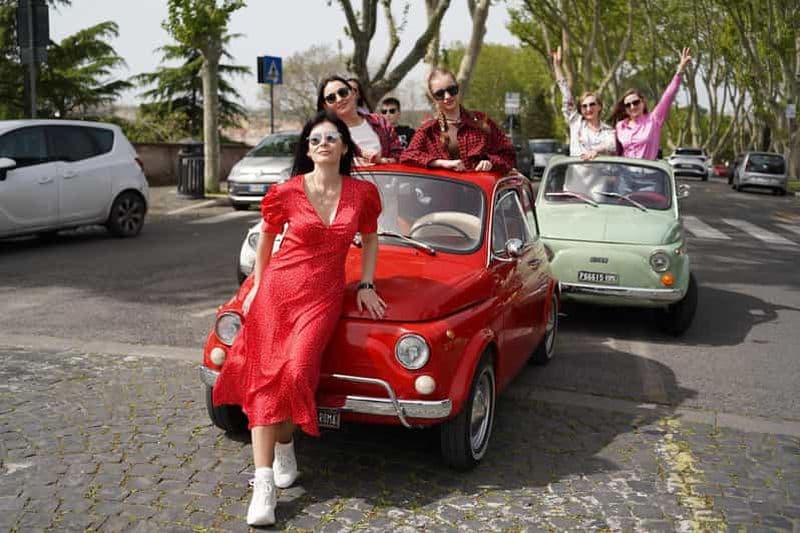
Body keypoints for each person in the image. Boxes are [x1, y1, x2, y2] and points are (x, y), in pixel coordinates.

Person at [212, 111, 386, 527]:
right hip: (278, 292)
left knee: (296, 372)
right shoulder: (287, 191)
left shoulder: (362, 194)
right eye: (314, 139)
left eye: (331, 137)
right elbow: (268, 237)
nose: (322, 143)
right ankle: (264, 482)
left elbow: (372, 238)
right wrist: (256, 284)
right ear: (307, 149)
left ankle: (286, 443)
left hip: (322, 297)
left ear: (344, 146)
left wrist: (365, 284)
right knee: (267, 378)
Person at [401, 68, 516, 174]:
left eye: (451, 90)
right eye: (440, 94)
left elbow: (508, 154)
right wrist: (441, 163)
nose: (447, 96)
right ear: (433, 97)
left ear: (458, 87)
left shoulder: (481, 121)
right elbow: (407, 156)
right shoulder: (429, 130)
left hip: (480, 192)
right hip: (443, 193)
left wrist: (491, 162)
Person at [609, 47, 693, 160]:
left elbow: (668, 96)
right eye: (628, 105)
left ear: (643, 103)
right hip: (625, 175)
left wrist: (680, 69)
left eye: (635, 102)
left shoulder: (654, 120)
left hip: (647, 175)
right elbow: (614, 151)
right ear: (625, 109)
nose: (632, 106)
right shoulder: (620, 126)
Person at [317, 75, 402, 165]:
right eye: (331, 98)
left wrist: (381, 161)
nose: (339, 99)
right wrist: (353, 164)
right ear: (325, 106)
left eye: (343, 92)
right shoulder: (325, 134)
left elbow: (400, 156)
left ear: (354, 93)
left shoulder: (380, 122)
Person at [551, 46, 617, 159]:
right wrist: (557, 66)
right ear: (581, 109)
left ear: (599, 107)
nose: (588, 109)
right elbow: (566, 95)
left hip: (600, 176)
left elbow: (612, 145)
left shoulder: (608, 131)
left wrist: (596, 150)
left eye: (592, 104)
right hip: (576, 176)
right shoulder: (576, 123)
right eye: (584, 106)